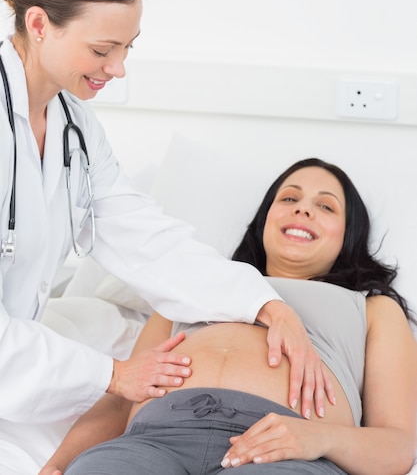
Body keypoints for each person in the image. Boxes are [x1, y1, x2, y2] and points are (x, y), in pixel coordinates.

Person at [0, 0, 330, 473]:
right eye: (102, 49)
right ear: (39, 25)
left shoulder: (75, 129)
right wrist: (113, 375)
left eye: (127, 49)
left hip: (24, 371)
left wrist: (264, 303)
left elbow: (146, 239)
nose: (118, 68)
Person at [39, 158, 417, 475]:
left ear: (349, 233)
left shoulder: (369, 307)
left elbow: (398, 443)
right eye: (289, 198)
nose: (303, 208)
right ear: (265, 218)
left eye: (326, 206)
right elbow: (124, 396)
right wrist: (56, 465)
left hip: (281, 452)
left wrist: (321, 438)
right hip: (150, 441)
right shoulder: (191, 284)